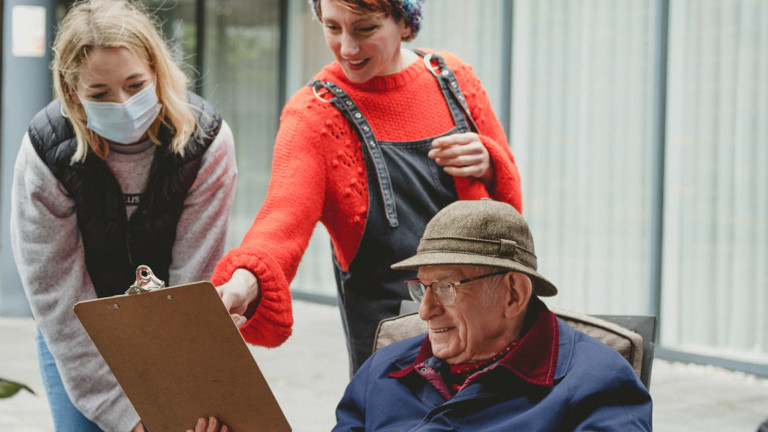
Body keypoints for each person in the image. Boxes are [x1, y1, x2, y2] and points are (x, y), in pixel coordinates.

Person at [213, 0, 523, 375]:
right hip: (397, 347)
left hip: (491, 327)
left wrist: (490, 163)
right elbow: (282, 219)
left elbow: (512, 214)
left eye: (365, 29)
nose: (347, 48)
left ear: (405, 24)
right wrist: (244, 283)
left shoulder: (454, 78)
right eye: (332, 27)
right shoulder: (314, 115)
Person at [9, 1, 237, 431]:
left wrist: (177, 398)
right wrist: (127, 418)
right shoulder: (45, 150)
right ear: (72, 92)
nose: (124, 103)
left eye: (136, 85)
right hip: (77, 329)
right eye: (100, 94)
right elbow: (57, 294)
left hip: (172, 324)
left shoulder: (206, 141)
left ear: (156, 70)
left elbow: (193, 281)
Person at [331, 199, 653, 430]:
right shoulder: (383, 371)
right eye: (422, 287)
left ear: (514, 295)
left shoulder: (597, 381)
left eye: (445, 287)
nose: (426, 311)